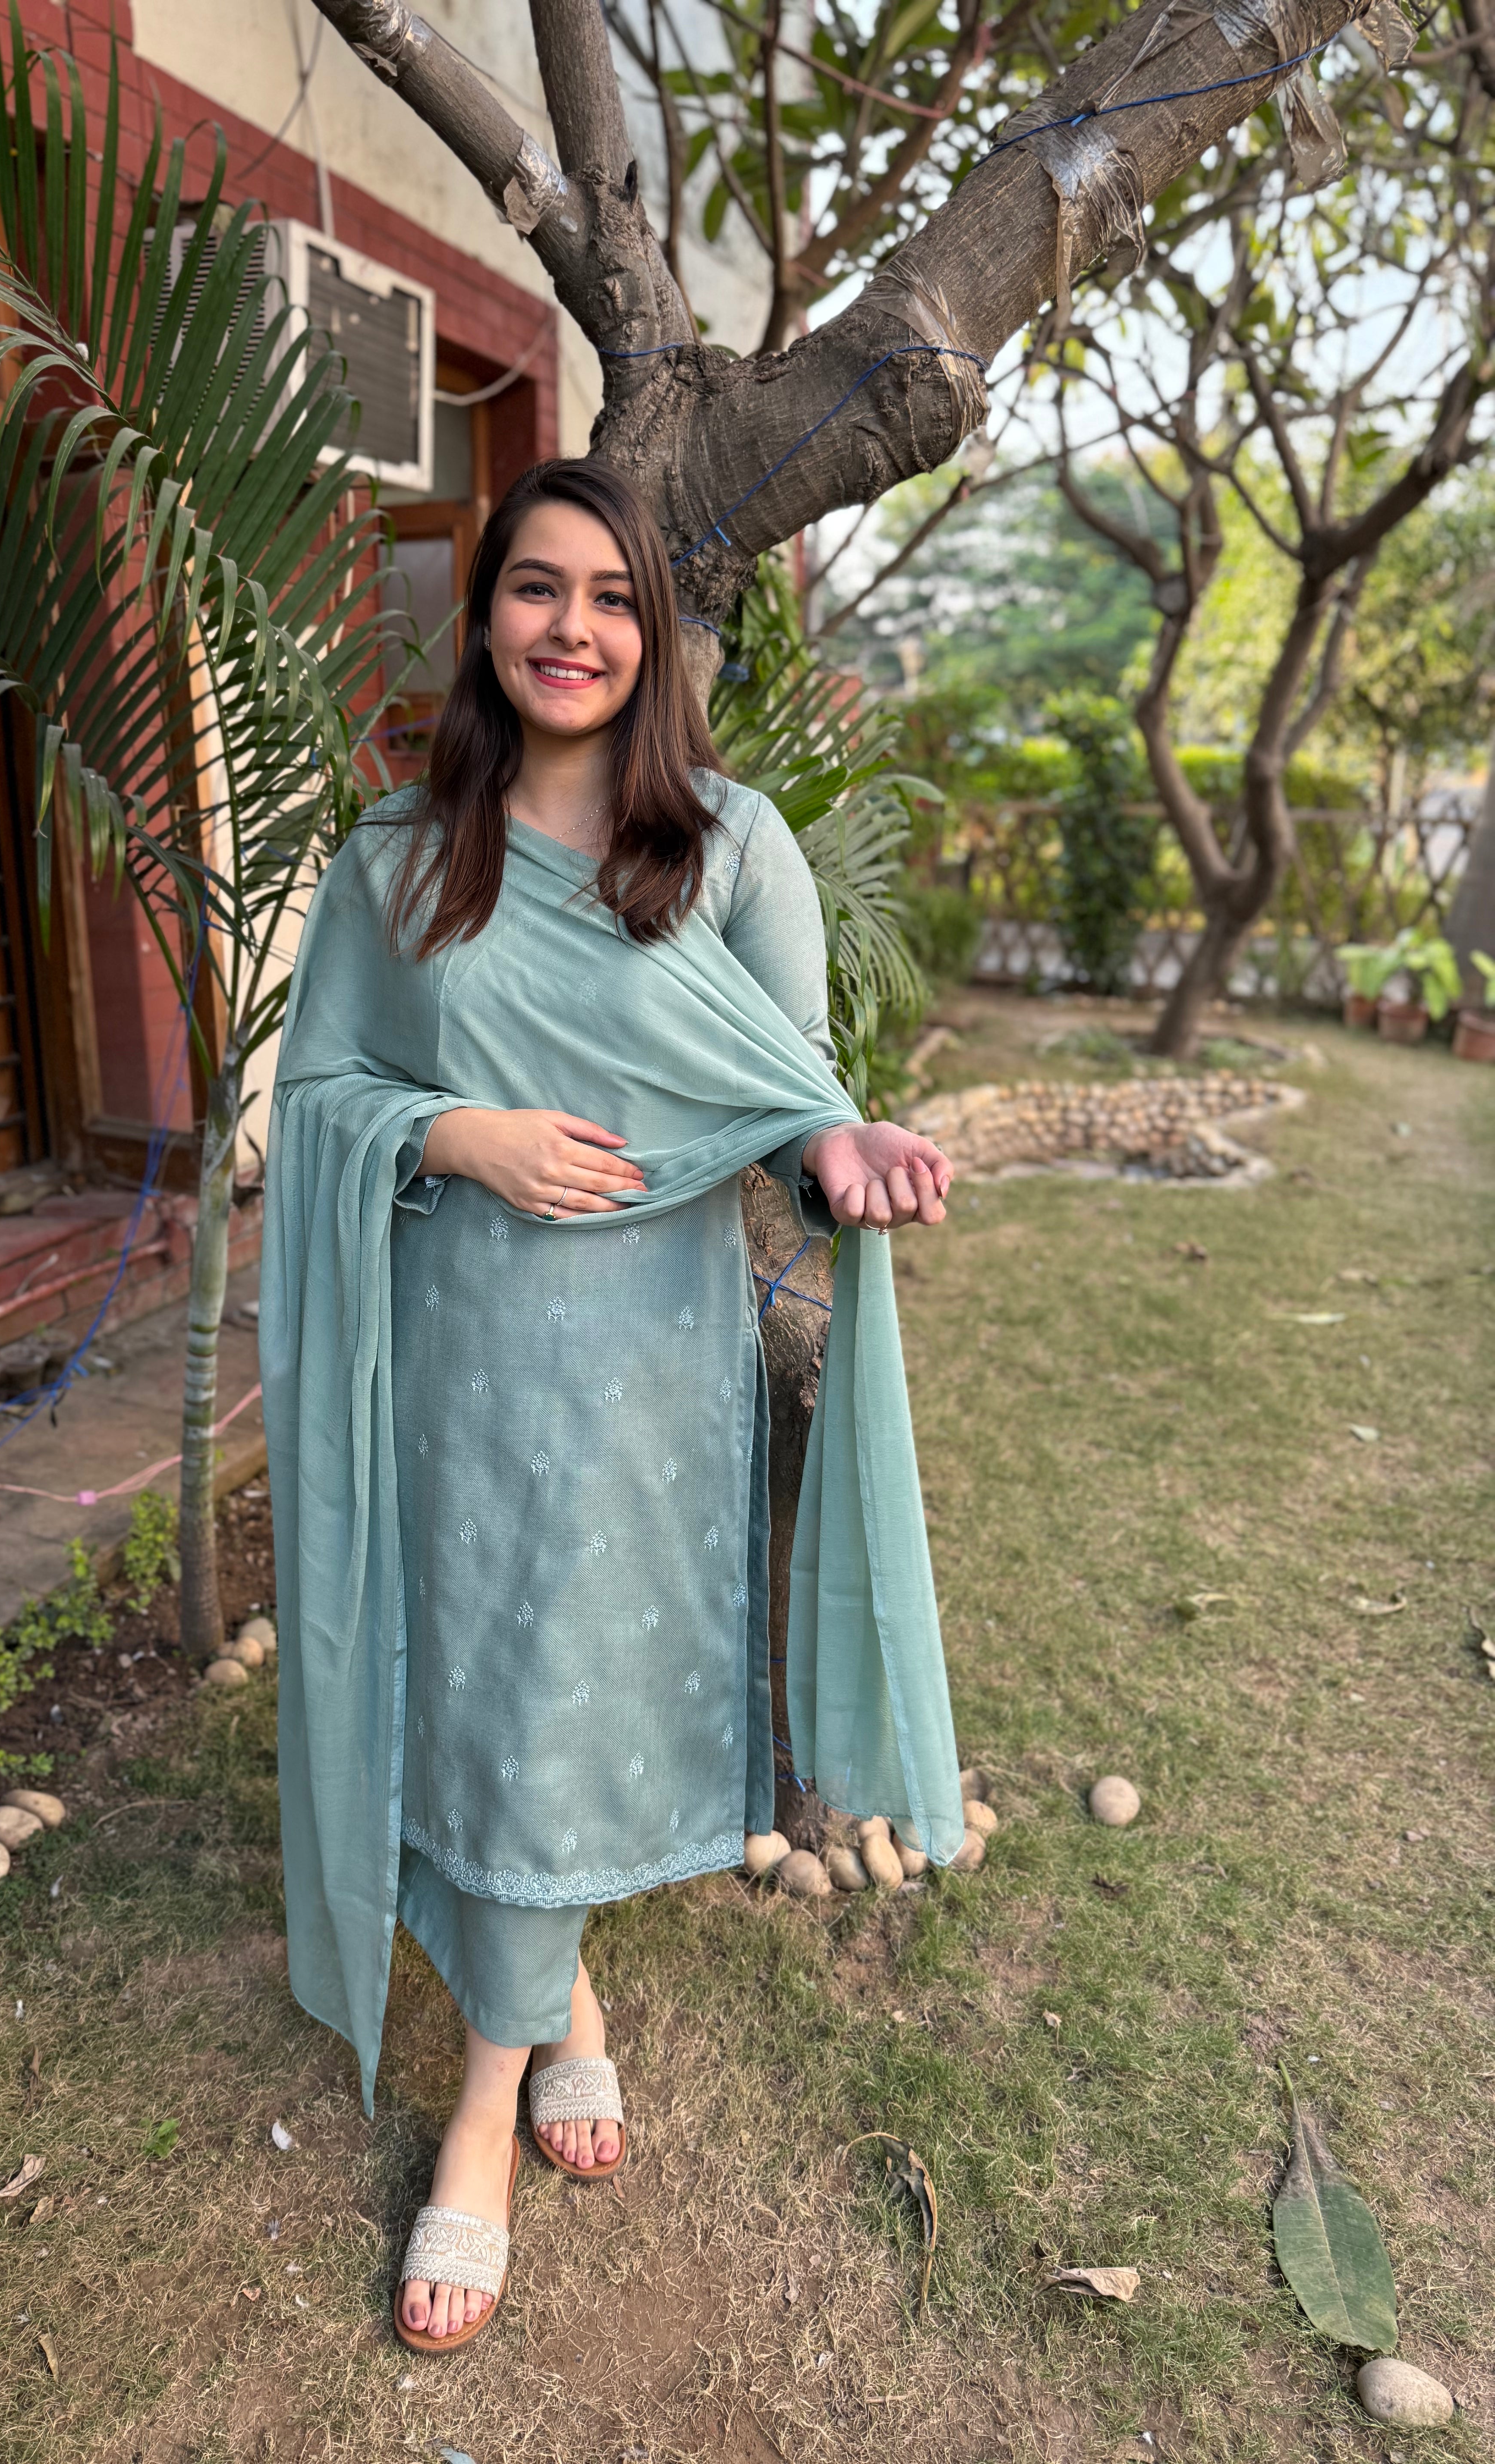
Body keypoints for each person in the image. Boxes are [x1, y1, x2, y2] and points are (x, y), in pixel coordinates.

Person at [260, 458, 961, 2357]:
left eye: (611, 598)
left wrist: (848, 1150)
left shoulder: (729, 847)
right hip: (451, 1365)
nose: (570, 628)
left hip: (647, 1381)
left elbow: (792, 1098)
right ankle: (551, 2018)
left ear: (652, 633)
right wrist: (453, 1133)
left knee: (562, 1698)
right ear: (483, 614)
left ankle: (479, 2101)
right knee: (481, 1694)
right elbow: (318, 1101)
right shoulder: (398, 859)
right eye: (535, 589)